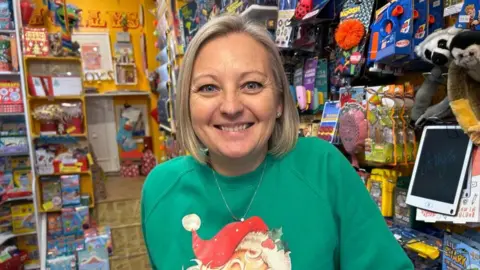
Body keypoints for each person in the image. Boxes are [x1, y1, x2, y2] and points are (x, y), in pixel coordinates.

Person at [141, 14, 413, 270]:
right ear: (187, 104)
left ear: (280, 101)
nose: (231, 106)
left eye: (252, 85)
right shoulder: (160, 190)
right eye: (209, 88)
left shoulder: (323, 169)